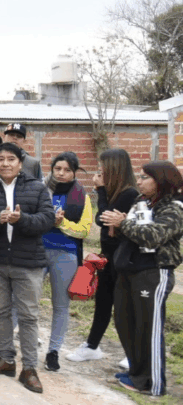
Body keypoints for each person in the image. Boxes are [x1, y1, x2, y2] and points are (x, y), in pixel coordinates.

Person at [0, 142, 55, 394]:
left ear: (20, 163)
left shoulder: (37, 188)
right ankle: (6, 359)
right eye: (0, 159)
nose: (5, 164)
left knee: (28, 315)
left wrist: (23, 220)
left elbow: (48, 219)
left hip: (27, 262)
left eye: (10, 159)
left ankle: (29, 368)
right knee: (0, 311)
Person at [102, 161, 183, 396]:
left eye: (145, 177)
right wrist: (120, 222)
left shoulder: (175, 207)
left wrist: (123, 223)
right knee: (126, 323)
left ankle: (153, 384)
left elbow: (153, 236)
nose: (139, 181)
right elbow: (133, 229)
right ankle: (137, 373)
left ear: (161, 181)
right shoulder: (142, 201)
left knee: (148, 326)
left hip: (153, 271)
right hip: (130, 268)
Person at [67, 148, 139, 365]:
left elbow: (103, 219)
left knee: (123, 307)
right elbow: (104, 217)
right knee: (103, 303)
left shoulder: (129, 194)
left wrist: (101, 191)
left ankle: (133, 353)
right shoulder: (117, 192)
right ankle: (91, 346)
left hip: (123, 258)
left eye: (103, 167)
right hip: (108, 256)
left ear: (114, 168)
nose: (100, 171)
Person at [40, 152, 94, 371]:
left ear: (74, 172)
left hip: (66, 254)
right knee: (23, 299)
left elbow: (83, 231)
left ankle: (53, 352)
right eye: (57, 169)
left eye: (67, 170)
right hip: (36, 250)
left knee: (60, 306)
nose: (61, 174)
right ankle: (7, 345)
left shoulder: (83, 197)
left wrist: (61, 224)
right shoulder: (41, 191)